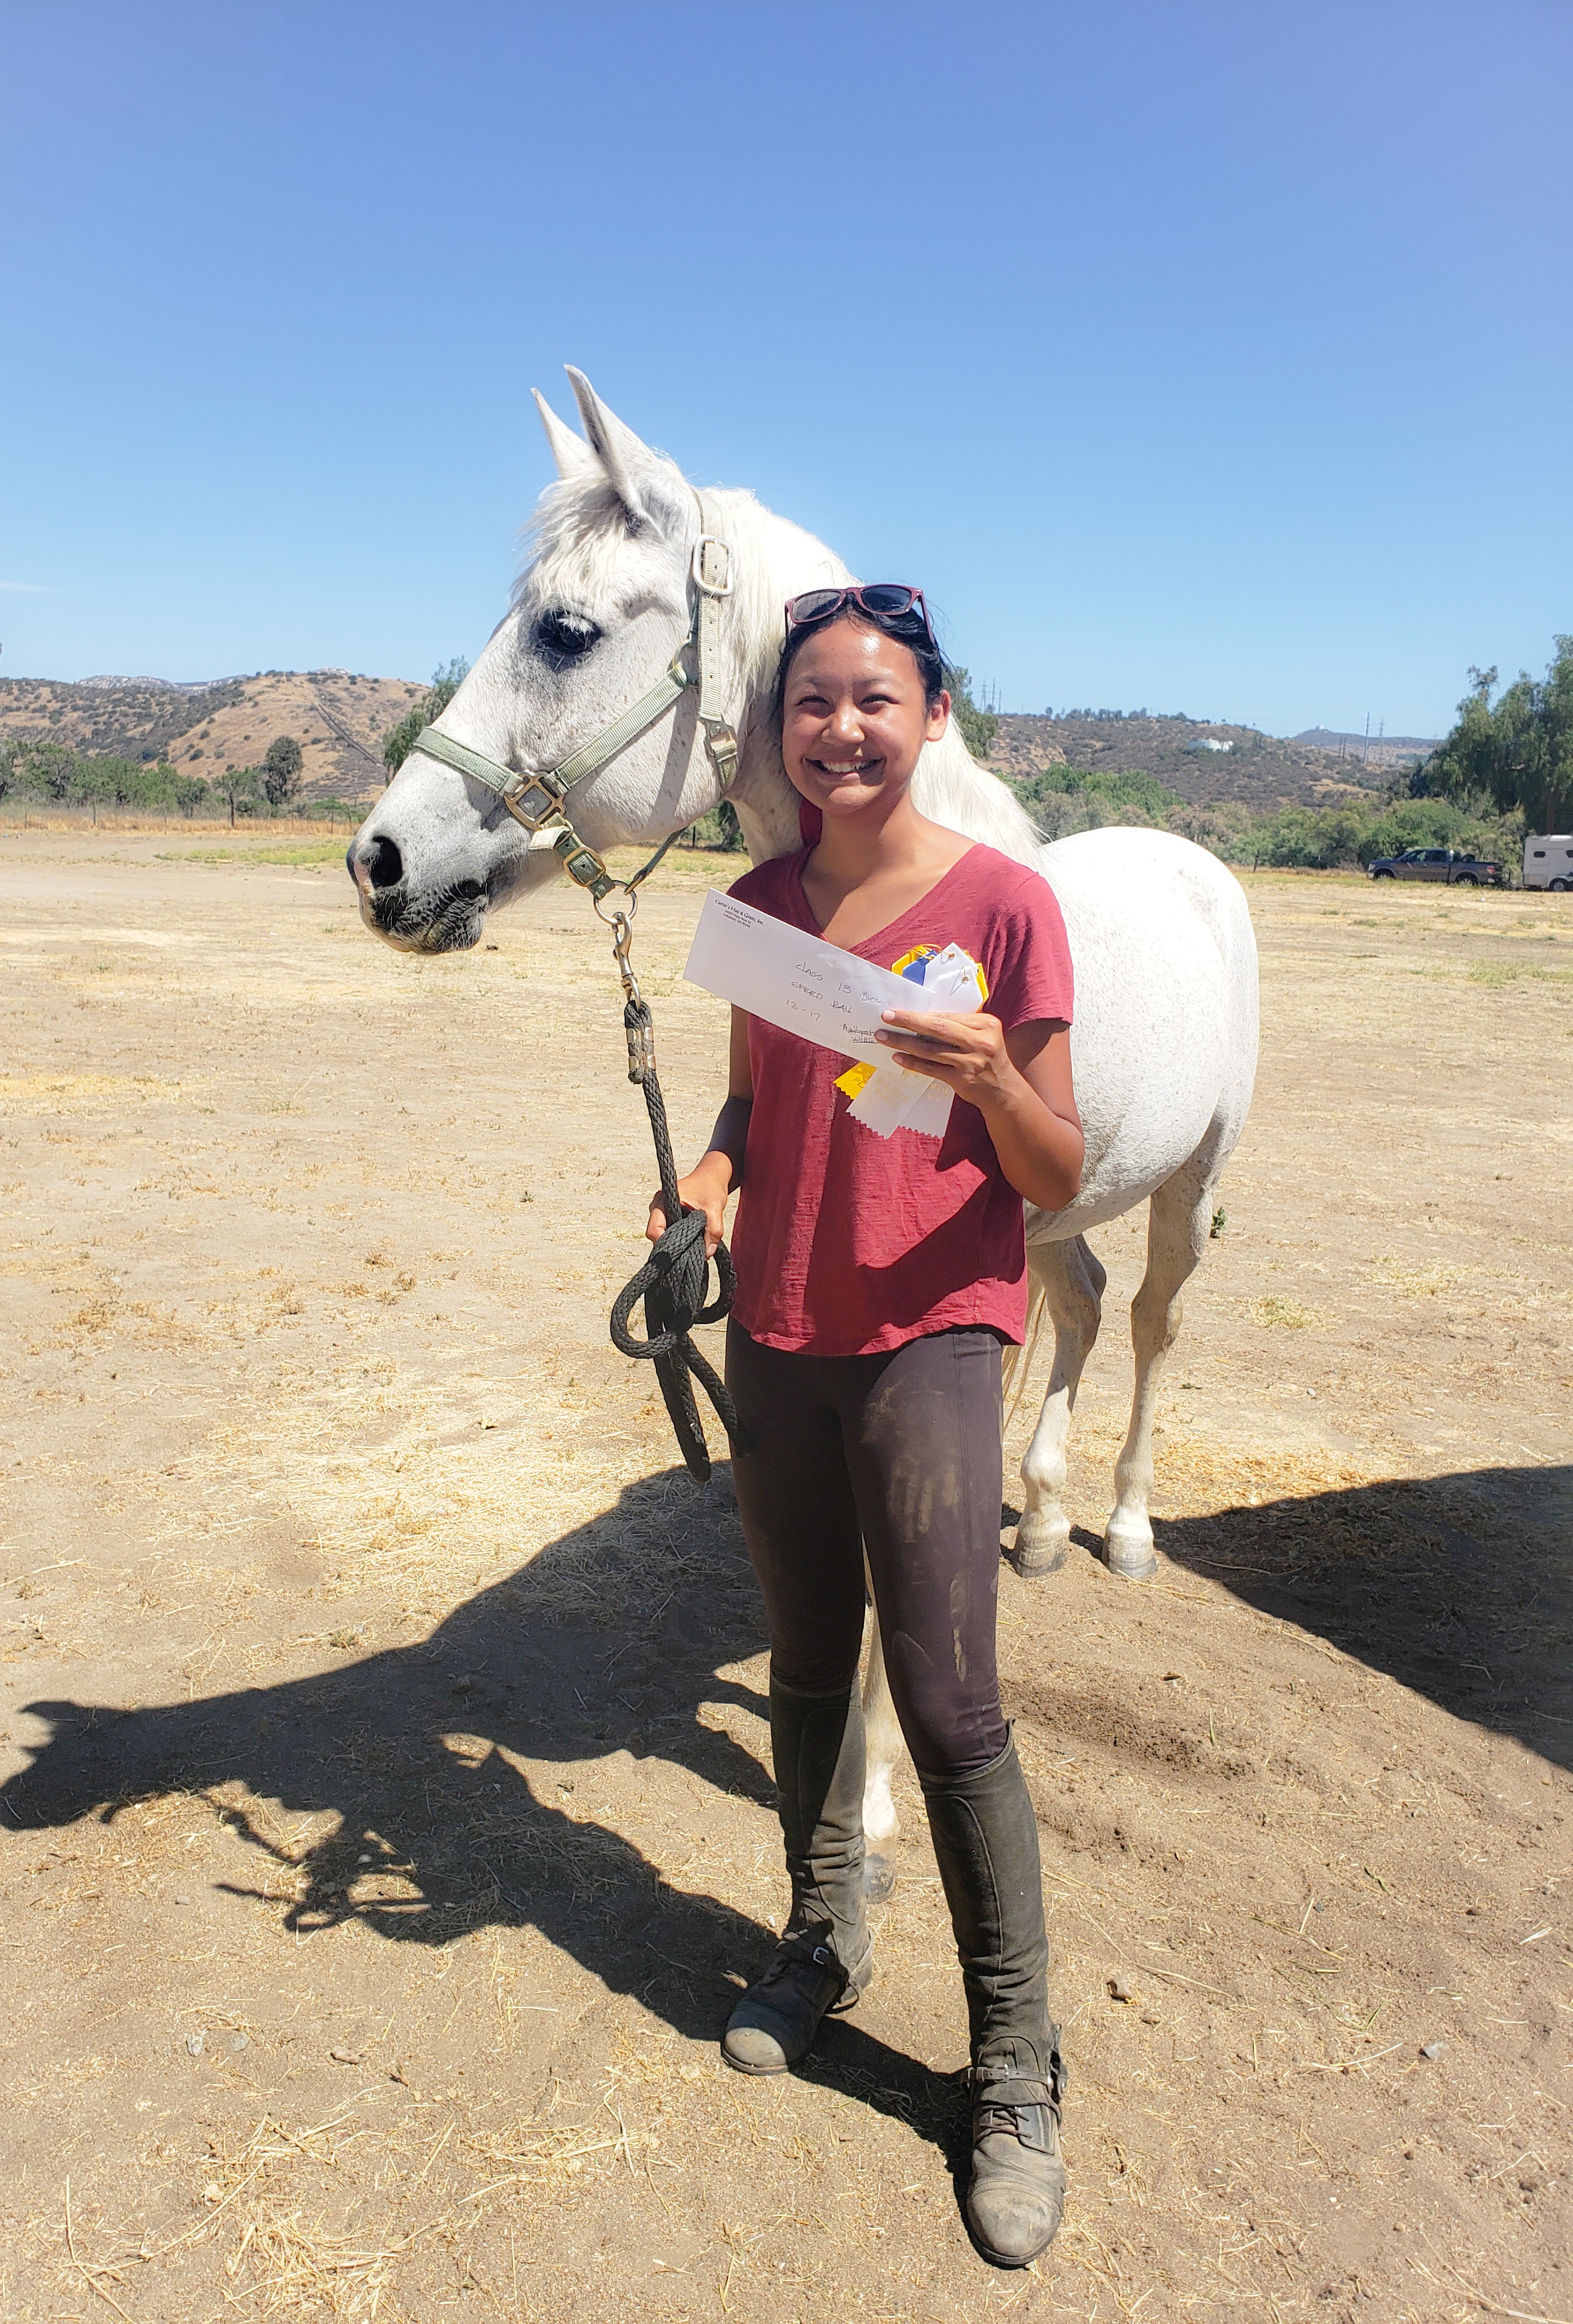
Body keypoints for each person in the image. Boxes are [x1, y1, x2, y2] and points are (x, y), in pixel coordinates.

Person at [646, 584, 1083, 2268]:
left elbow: (1049, 1172)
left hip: (933, 1340)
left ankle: (1014, 2068)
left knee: (954, 1701)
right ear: (778, 733)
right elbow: (757, 1109)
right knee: (806, 1657)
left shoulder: (1008, 907)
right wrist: (698, 1192)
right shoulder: (757, 911)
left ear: (934, 716)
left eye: (874, 699)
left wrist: (985, 1074)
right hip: (779, 1332)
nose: (839, 728)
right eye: (810, 701)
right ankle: (824, 1936)